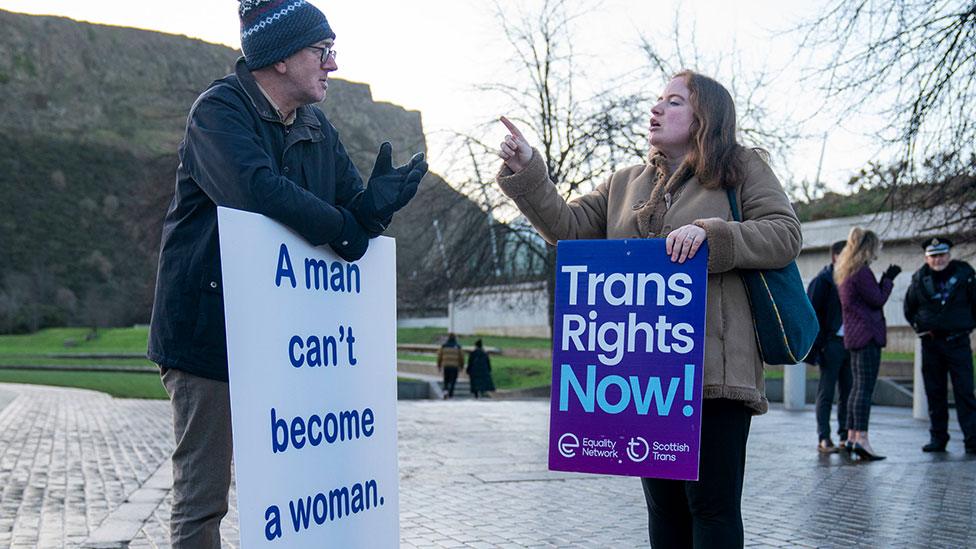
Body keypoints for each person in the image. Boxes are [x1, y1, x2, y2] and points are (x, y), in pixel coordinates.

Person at [146, 2, 427, 546]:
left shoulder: (319, 127)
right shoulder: (217, 112)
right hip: (210, 338)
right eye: (323, 51)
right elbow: (256, 192)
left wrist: (375, 207)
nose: (333, 64)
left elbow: (349, 213)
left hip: (289, 344)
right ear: (278, 58)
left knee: (307, 489)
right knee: (203, 501)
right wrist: (349, 227)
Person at [496, 70, 801, 548]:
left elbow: (784, 233)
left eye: (674, 102)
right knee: (665, 513)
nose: (657, 108)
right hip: (648, 378)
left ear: (706, 117)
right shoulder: (624, 183)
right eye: (659, 99)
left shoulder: (742, 168)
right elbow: (567, 228)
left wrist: (712, 233)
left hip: (715, 375)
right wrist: (529, 170)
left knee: (712, 509)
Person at [904, 237, 976, 454]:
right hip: (932, 343)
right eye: (933, 256)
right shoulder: (919, 278)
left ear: (949, 254)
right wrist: (921, 326)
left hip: (958, 342)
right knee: (935, 393)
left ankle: (972, 439)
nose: (938, 260)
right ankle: (938, 438)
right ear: (927, 257)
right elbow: (910, 308)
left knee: (964, 391)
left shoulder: (964, 274)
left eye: (942, 254)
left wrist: (967, 325)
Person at [834, 227, 900, 461]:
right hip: (867, 336)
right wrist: (888, 280)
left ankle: (852, 437)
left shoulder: (846, 271)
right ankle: (861, 438)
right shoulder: (861, 272)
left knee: (856, 388)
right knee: (864, 388)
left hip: (854, 336)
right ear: (869, 248)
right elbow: (877, 299)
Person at [806, 240, 853, 453]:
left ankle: (844, 435)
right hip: (831, 344)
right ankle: (823, 437)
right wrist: (818, 348)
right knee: (826, 392)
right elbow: (811, 315)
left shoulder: (853, 279)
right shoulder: (823, 280)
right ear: (836, 256)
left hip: (851, 344)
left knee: (848, 391)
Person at [437, 333, 464, 399]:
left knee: (446, 379)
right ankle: (451, 394)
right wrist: (461, 366)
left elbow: (439, 356)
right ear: (455, 338)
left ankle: (445, 391)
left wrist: (439, 365)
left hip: (446, 366)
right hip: (455, 366)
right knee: (453, 380)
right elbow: (461, 357)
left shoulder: (444, 346)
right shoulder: (458, 347)